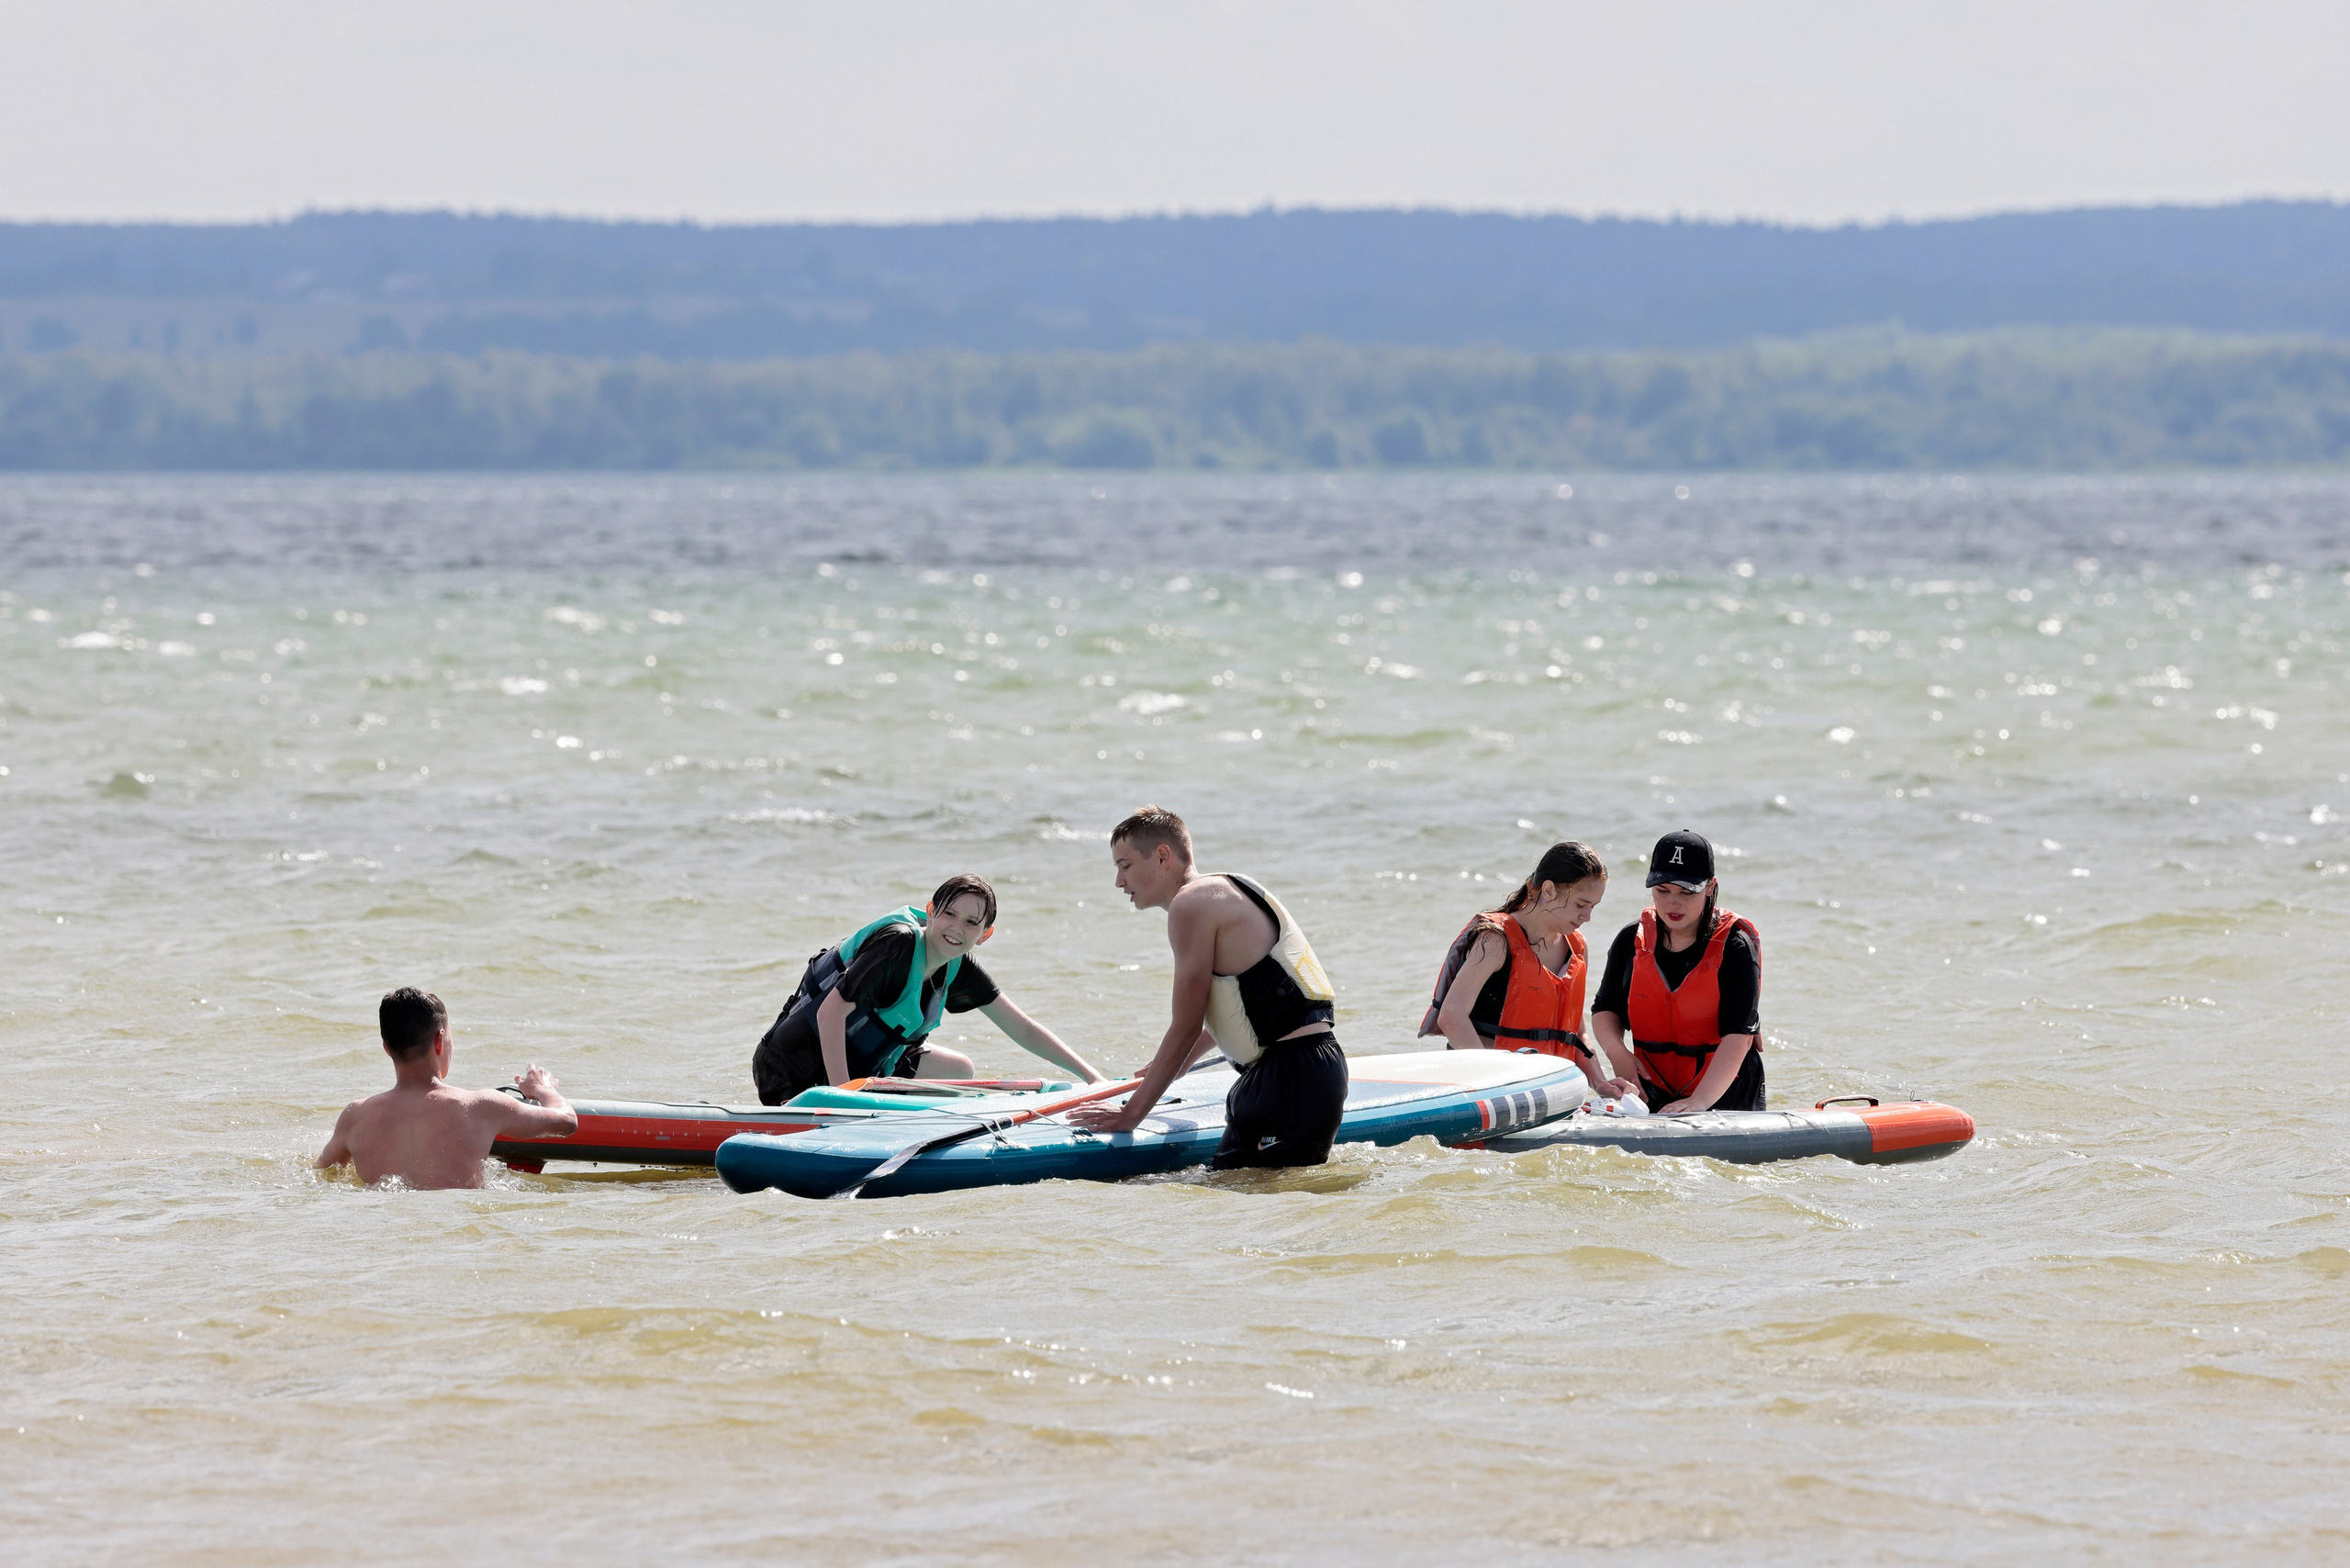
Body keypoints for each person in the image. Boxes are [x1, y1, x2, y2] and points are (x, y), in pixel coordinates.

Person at [1069, 806, 1348, 1169]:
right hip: (1309, 1070)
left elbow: (1185, 1027)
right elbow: (1245, 1004)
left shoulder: (1190, 905)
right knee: (1237, 1193)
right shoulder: (1224, 888)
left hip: (1289, 1078)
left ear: (1162, 856)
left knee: (1247, 1193)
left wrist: (1129, 1115)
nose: (1119, 881)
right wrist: (1178, 1064)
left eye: (1125, 865)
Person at [751, 873, 1104, 1105]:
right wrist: (844, 1101)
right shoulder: (897, 945)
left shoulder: (959, 965)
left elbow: (1023, 1029)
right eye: (949, 914)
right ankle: (862, 1116)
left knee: (958, 1070)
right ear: (931, 911)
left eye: (971, 923)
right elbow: (830, 1014)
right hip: (792, 1070)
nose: (956, 928)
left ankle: (896, 1127)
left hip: (858, 1072)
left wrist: (1092, 1078)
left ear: (985, 935)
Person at [1419, 840, 1638, 1100]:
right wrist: (1493, 1085)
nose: (1587, 916)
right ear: (1548, 890)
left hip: (1547, 1091)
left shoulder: (1577, 947)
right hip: (1487, 1090)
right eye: (1581, 905)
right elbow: (1452, 1017)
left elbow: (1575, 1031)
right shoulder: (1496, 941)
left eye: (1593, 907)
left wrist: (1600, 1083)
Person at [314, 987, 577, 1189]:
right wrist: (543, 1088)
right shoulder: (481, 1107)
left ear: (386, 1048)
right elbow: (566, 1122)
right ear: (440, 1040)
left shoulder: (356, 1116)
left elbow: (320, 1172)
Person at [1589, 829, 1764, 1113]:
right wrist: (1617, 1052)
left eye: (1686, 892)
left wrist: (1700, 1101)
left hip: (1728, 1093)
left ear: (1710, 888)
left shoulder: (1735, 947)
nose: (1673, 903)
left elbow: (1740, 1036)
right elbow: (1605, 1008)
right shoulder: (1631, 940)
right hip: (1653, 1090)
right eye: (1662, 890)